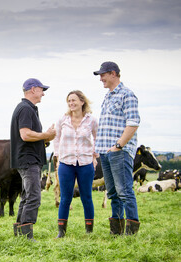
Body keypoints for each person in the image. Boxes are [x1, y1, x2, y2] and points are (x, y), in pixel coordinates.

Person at [93, 61, 141, 235]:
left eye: (103, 75)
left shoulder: (127, 95)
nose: (101, 79)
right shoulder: (108, 96)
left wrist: (118, 146)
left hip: (119, 152)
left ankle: (131, 231)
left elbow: (133, 123)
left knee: (125, 191)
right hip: (105, 152)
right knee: (112, 192)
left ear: (113, 73)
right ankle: (116, 231)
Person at [10, 78, 56, 241]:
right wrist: (46, 135)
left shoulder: (28, 108)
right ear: (33, 89)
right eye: (41, 90)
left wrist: (45, 139)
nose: (43, 93)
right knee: (34, 196)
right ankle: (27, 235)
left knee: (27, 196)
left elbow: (29, 135)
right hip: (28, 160)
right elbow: (25, 134)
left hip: (28, 159)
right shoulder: (25, 109)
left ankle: (20, 233)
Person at [53, 90, 98, 238]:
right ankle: (61, 232)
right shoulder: (62, 120)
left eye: (74, 100)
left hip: (85, 163)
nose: (71, 103)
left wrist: (94, 156)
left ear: (82, 102)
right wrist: (58, 159)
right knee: (65, 198)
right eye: (69, 101)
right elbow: (56, 140)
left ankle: (89, 231)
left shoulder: (91, 120)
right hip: (66, 163)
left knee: (87, 197)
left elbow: (97, 138)